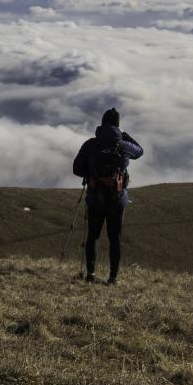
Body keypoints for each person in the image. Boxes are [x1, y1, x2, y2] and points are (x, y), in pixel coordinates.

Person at [71, 107, 143, 285]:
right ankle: (113, 278)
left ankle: (91, 275)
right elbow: (140, 151)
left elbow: (76, 169)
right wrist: (124, 135)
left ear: (102, 124)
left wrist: (91, 176)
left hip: (95, 198)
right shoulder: (124, 146)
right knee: (115, 238)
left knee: (93, 236)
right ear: (117, 125)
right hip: (117, 200)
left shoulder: (90, 145)